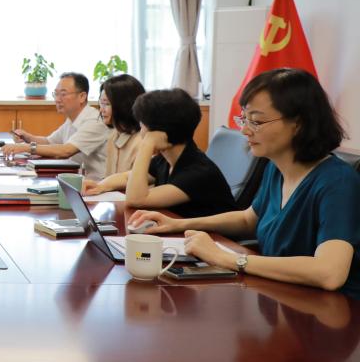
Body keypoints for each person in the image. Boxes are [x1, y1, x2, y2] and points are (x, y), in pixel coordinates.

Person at [130, 69, 360, 297]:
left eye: (256, 121)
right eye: (244, 119)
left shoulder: (337, 181)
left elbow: (329, 273)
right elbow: (248, 219)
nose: (244, 130)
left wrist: (230, 259)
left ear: (298, 123)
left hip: (330, 309)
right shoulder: (276, 168)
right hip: (279, 294)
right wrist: (177, 224)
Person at [90, 88, 234, 216]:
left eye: (142, 125)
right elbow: (126, 178)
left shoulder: (197, 172)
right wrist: (100, 186)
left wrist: (146, 145)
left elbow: (136, 200)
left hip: (215, 237)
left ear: (159, 132)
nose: (141, 131)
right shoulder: (166, 159)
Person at [2, 72, 109, 180]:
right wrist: (28, 137)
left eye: (63, 94)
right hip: (77, 180)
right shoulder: (72, 119)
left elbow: (65, 151)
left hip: (98, 185)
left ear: (82, 96)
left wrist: (26, 148)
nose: (57, 99)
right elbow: (49, 142)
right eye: (56, 94)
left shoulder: (94, 121)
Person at [82, 74, 145, 194]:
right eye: (101, 103)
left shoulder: (142, 141)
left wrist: (101, 186)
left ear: (124, 105)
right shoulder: (114, 136)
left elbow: (136, 182)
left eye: (107, 104)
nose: (101, 110)